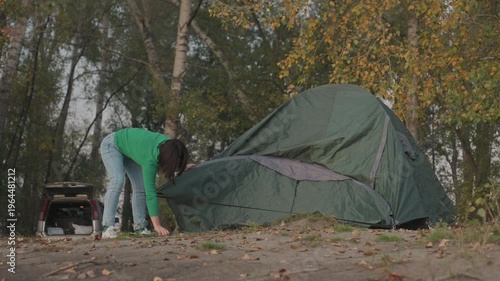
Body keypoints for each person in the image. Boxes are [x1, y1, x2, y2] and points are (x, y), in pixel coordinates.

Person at [99, 128, 194, 238]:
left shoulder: (170, 145)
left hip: (130, 150)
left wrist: (182, 167)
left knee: (140, 187)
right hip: (112, 144)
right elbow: (151, 194)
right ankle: (107, 228)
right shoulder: (150, 160)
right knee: (118, 180)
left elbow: (175, 158)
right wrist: (157, 225)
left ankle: (140, 228)